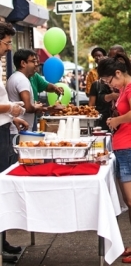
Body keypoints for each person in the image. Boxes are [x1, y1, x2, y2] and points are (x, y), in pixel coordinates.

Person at [97, 54, 131, 263]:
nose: (110, 85)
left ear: (118, 73)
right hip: (125, 149)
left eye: (109, 81)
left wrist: (116, 119)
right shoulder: (126, 88)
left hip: (130, 149)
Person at [0, 21, 29, 264]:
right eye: (7, 42)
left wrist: (12, 117)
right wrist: (12, 107)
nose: (9, 48)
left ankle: (2, 242)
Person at [7, 49, 44, 164]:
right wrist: (38, 107)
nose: (36, 64)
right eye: (33, 61)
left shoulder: (14, 77)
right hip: (20, 131)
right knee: (21, 163)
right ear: (23, 63)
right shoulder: (22, 80)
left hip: (17, 129)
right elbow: (28, 107)